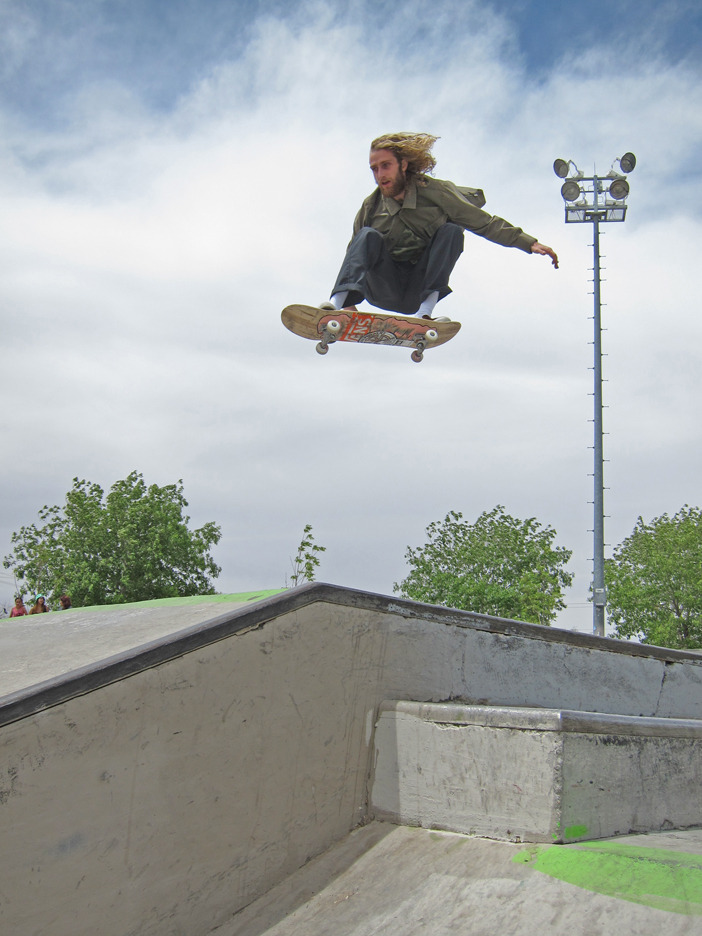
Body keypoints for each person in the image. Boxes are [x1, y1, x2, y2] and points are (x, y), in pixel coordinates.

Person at [324, 132, 558, 321]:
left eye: (385, 166)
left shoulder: (436, 192)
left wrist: (529, 243)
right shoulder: (371, 206)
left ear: (403, 165)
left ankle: (425, 313)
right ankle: (336, 306)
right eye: (374, 169)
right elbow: (353, 254)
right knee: (366, 236)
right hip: (384, 287)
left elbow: (483, 222)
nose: (379, 175)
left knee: (452, 231)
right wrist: (350, 306)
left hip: (418, 288)